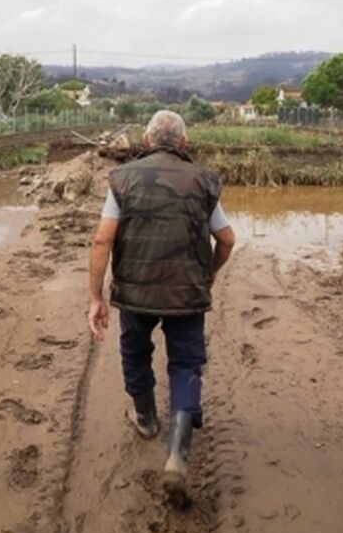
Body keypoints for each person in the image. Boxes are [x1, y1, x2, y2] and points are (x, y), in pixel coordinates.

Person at [87, 110, 235, 500]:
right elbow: (227, 239)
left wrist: (95, 297)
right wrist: (209, 274)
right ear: (184, 143)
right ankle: (177, 453)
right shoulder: (204, 181)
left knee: (135, 353)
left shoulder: (123, 179)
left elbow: (102, 241)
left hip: (136, 295)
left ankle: (147, 419)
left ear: (147, 141)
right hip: (186, 294)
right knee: (186, 364)